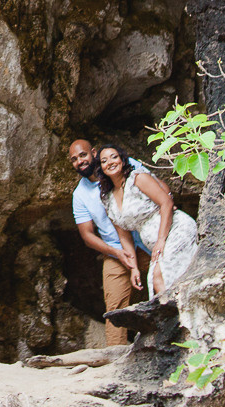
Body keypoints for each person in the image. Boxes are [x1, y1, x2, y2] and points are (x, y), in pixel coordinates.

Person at [68, 137, 152, 345]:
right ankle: (115, 356)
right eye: (74, 159)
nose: (79, 161)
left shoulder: (122, 165)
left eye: (83, 155)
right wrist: (117, 253)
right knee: (114, 309)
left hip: (147, 240)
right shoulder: (80, 195)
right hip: (116, 250)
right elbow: (87, 235)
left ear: (94, 153)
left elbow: (156, 189)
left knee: (167, 285)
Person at [97, 144, 197, 297]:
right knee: (160, 285)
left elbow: (166, 203)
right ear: (101, 168)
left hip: (175, 229)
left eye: (114, 157)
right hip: (156, 242)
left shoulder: (138, 178)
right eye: (104, 161)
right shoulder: (107, 199)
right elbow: (124, 236)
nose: (110, 162)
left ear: (122, 160)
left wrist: (161, 240)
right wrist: (134, 268)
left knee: (160, 279)